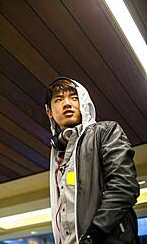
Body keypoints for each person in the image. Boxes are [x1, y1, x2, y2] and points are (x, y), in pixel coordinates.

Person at [45, 77, 140, 244]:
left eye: (74, 97)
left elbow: (124, 186)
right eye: (59, 99)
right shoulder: (57, 153)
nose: (67, 104)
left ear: (83, 102)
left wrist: (93, 235)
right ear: (49, 112)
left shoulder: (106, 131)